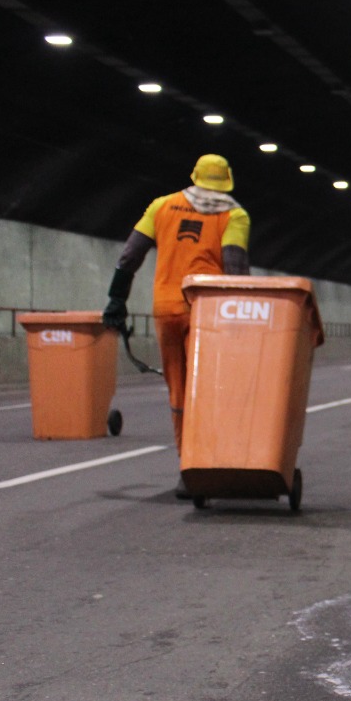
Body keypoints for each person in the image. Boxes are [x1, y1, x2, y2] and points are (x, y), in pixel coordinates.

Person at [102, 153, 250, 499]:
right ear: (227, 179)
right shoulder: (235, 214)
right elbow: (235, 267)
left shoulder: (162, 206)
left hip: (168, 310)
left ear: (195, 176)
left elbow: (130, 256)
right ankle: (220, 461)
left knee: (179, 390)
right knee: (215, 387)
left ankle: (189, 469)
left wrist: (116, 299)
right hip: (212, 310)